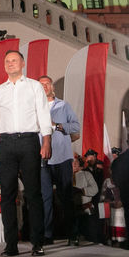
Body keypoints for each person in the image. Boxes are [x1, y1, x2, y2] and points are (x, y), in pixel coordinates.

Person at [0, 50, 52, 256]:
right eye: (7, 61)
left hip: (28, 141)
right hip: (5, 143)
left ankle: (37, 242)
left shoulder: (34, 86)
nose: (10, 64)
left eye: (14, 60)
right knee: (7, 195)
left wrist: (46, 141)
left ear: (22, 63)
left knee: (33, 193)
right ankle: (11, 245)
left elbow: (43, 113)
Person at [37, 75, 80, 245]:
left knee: (66, 197)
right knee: (45, 198)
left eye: (47, 83)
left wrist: (58, 126)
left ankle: (73, 234)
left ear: (52, 86)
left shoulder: (63, 105)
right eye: (41, 85)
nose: (44, 87)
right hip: (42, 159)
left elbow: (76, 126)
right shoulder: (34, 108)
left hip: (62, 157)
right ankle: (47, 235)